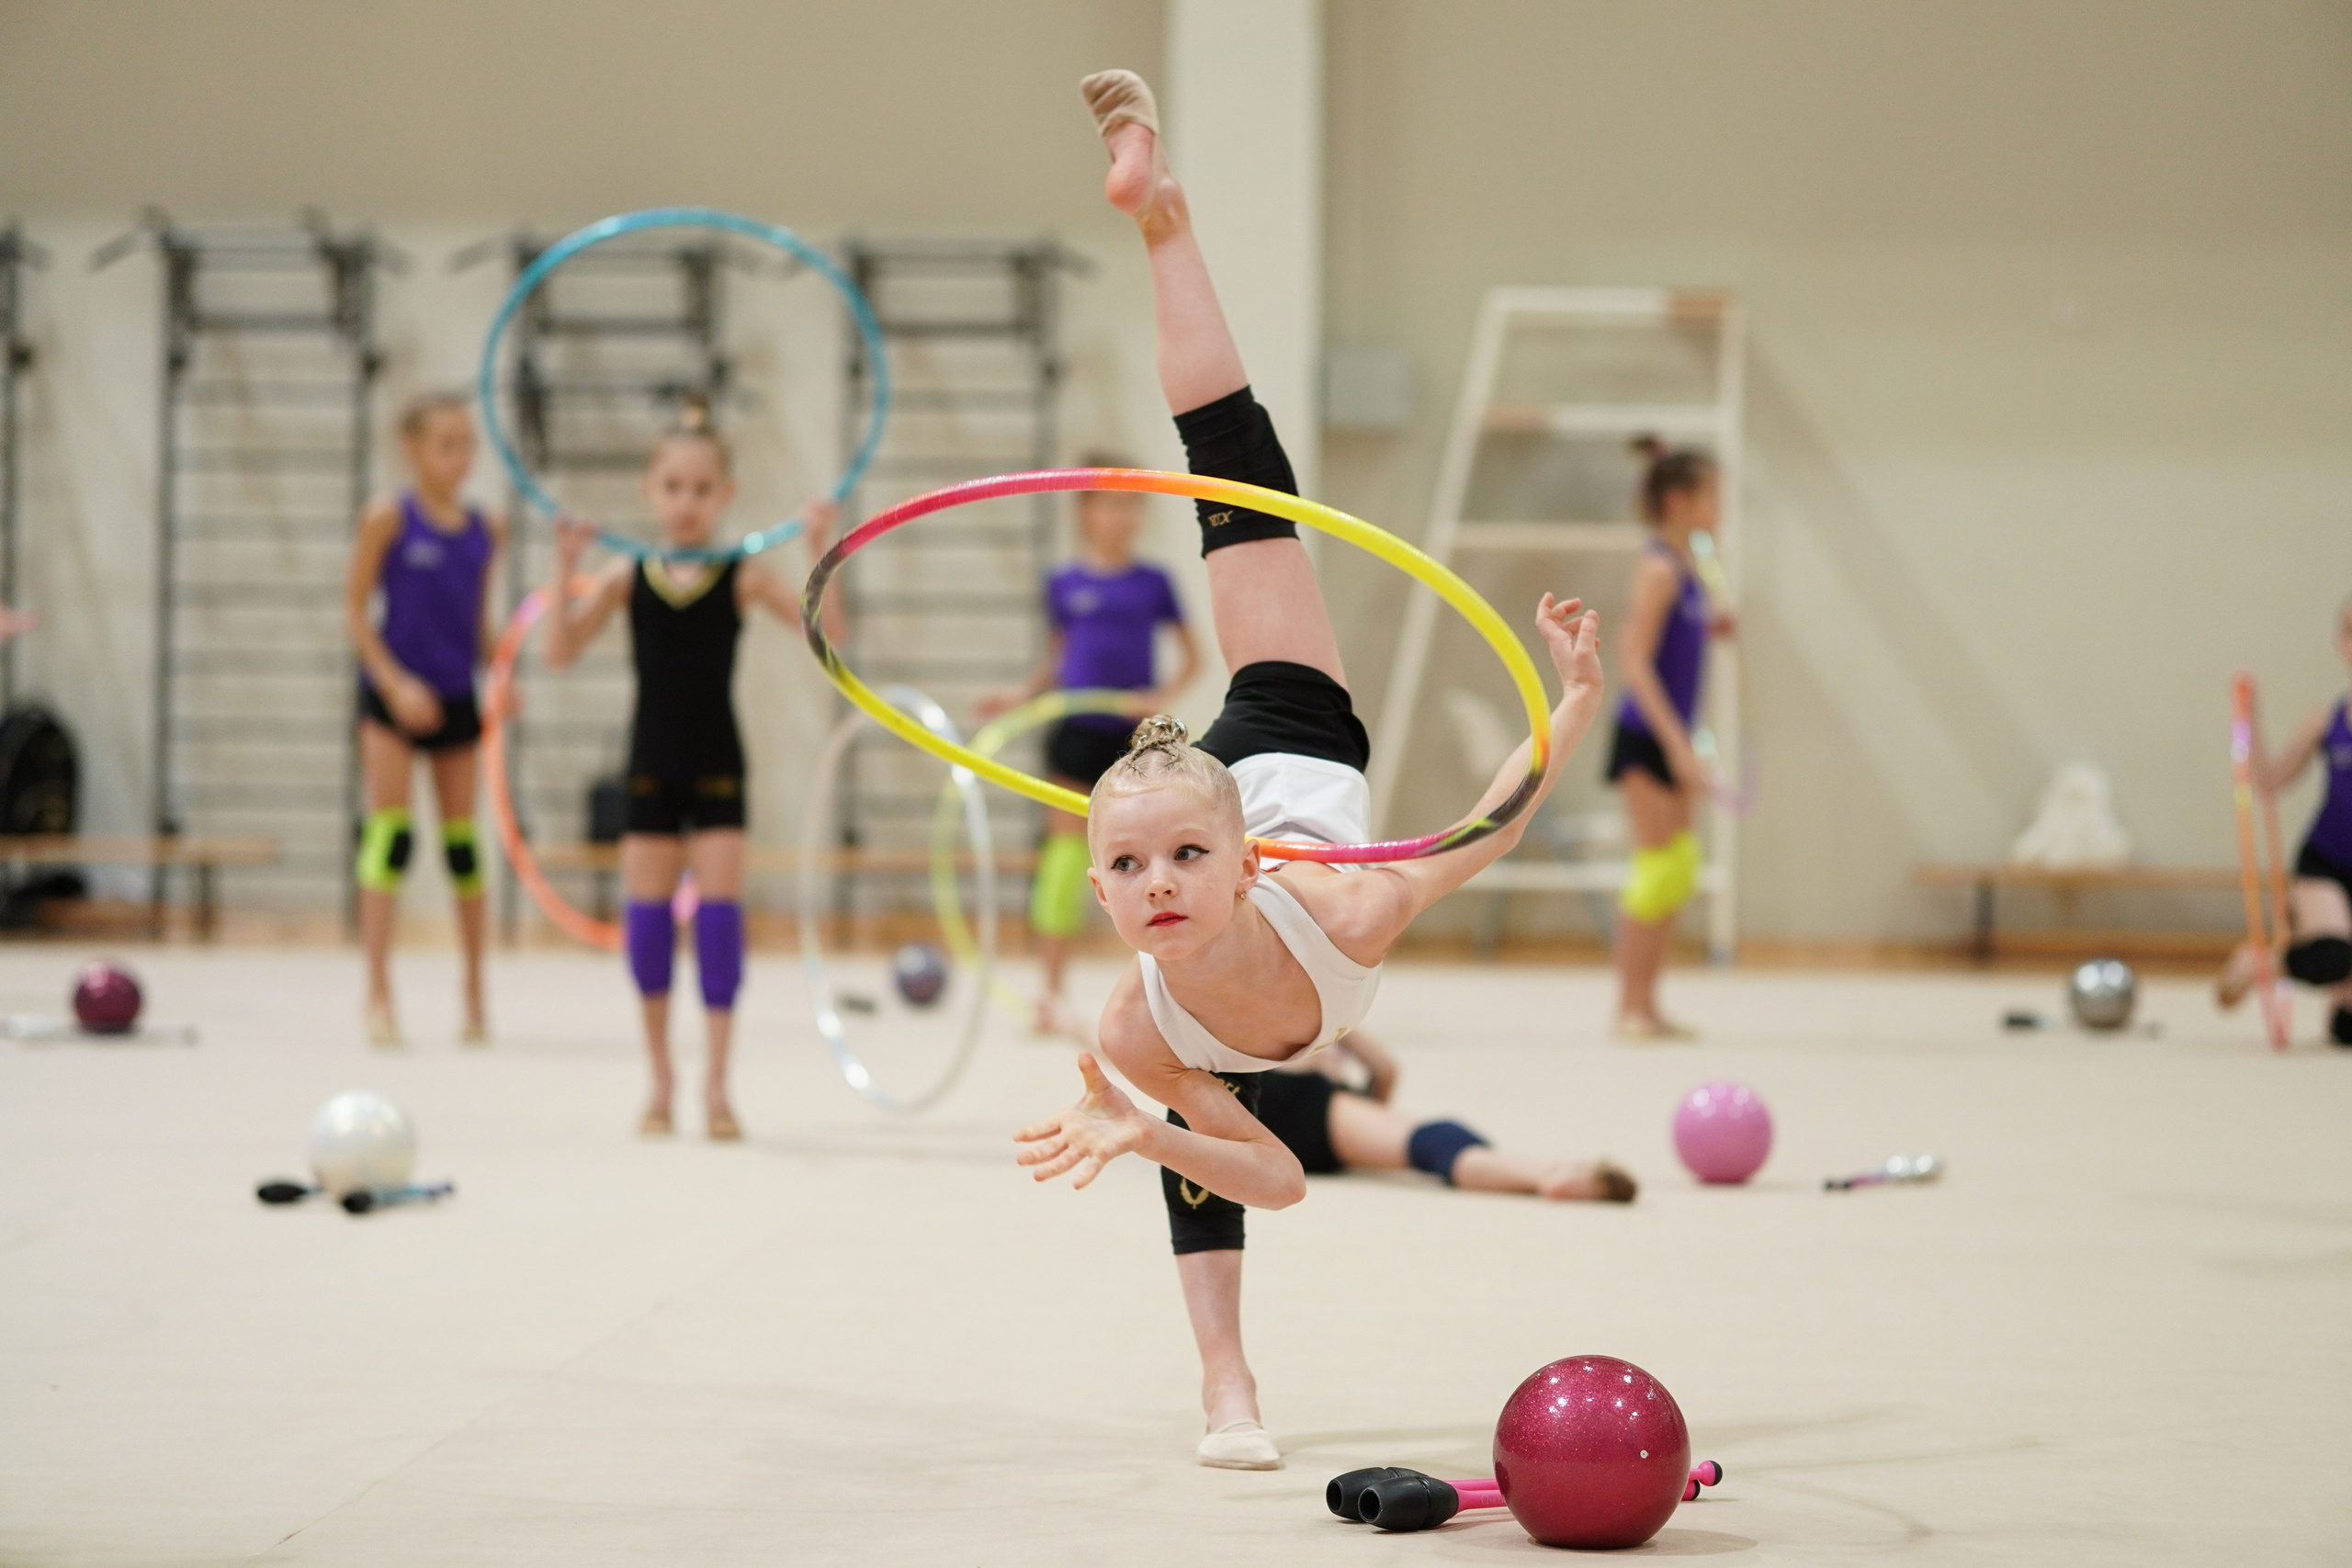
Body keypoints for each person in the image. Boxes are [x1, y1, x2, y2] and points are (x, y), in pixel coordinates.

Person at [1012, 70, 1609, 1471]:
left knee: (1234, 463)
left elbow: (1494, 817)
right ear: (1100, 892)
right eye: (1128, 870)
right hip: (1218, 808)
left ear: (1249, 860)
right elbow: (1271, 1180)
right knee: (1193, 1156)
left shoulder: (1344, 903)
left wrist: (1574, 697)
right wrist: (1145, 1129)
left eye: (1178, 860)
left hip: (1289, 729)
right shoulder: (1135, 1020)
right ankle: (1229, 1385)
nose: (1155, 887)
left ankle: (1161, 218)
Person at [542, 403, 841, 1139]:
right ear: (649, 490)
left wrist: (820, 555)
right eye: (672, 486)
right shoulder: (626, 572)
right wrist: (564, 569)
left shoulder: (741, 575)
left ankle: (715, 1085)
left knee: (718, 924)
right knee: (646, 927)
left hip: (717, 766)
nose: (686, 501)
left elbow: (830, 645)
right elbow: (556, 651)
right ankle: (659, 1080)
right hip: (649, 763)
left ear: (726, 494)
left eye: (701, 488)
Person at [980, 459, 1201, 1035]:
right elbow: (1056, 661)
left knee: (1152, 859)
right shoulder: (1064, 584)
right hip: (1074, 731)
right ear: (1083, 512)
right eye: (1107, 502)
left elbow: (1192, 656)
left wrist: (1157, 696)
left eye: (1130, 503)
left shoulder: (1154, 583)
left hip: (1133, 737)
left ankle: (1163, 992)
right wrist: (1017, 695)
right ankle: (1050, 994)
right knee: (1063, 860)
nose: (1119, 515)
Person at [343, 391, 506, 1049]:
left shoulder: (485, 529)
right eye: (446, 444)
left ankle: (474, 991)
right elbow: (354, 610)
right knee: (391, 839)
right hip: (393, 698)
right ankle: (378, 991)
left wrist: (500, 675)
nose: (460, 456)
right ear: (412, 448)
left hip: (456, 697)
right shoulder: (388, 519)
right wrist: (394, 681)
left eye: (468, 444)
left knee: (463, 846)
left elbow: (478, 625)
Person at [1603, 436, 1736, 1041]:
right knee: (1655, 870)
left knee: (1678, 867)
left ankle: (1651, 1002)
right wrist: (1678, 745)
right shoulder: (1657, 567)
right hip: (1647, 735)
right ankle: (1628, 1004)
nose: (1720, 506)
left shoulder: (1690, 569)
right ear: (1680, 499)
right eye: (1712, 494)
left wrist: (1714, 622)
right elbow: (1634, 659)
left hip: (1675, 733)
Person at [1255, 1033, 1637, 1201]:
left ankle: (1549, 1172)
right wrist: (1337, 1024)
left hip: (1245, 1115)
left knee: (1429, 1142)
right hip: (1302, 1105)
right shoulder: (1310, 1010)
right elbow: (1386, 1069)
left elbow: (1385, 1078)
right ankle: (1545, 1172)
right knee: (1435, 1143)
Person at [2218, 594, 2352, 1045]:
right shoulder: (2327, 720)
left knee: (2348, 1030)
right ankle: (2261, 962)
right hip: (2328, 862)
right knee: (2334, 956)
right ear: (2342, 643)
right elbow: (2271, 782)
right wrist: (2250, 718)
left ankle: (2341, 1004)